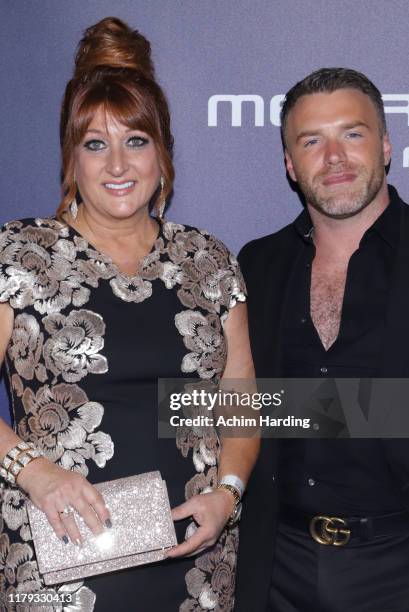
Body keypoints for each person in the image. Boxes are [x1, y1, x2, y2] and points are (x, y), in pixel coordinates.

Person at [0, 17, 259, 611]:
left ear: (162, 150)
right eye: (96, 144)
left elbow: (242, 395)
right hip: (58, 560)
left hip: (194, 560)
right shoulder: (18, 255)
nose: (117, 165)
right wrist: (34, 471)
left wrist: (228, 492)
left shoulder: (207, 259)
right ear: (72, 156)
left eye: (136, 141)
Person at [235, 67, 409, 612]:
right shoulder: (256, 265)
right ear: (290, 162)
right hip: (276, 563)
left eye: (352, 134)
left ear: (385, 146)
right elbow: (229, 409)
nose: (334, 157)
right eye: (312, 141)